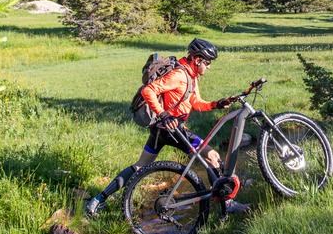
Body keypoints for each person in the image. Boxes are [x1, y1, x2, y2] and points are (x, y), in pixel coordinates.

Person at [86, 38, 249, 216]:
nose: (209, 67)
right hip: (171, 128)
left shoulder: (191, 76)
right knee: (213, 156)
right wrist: (163, 114)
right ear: (197, 60)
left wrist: (217, 104)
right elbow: (148, 91)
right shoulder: (179, 75)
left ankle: (98, 200)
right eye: (208, 63)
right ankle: (228, 205)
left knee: (140, 167)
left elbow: (196, 103)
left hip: (163, 129)